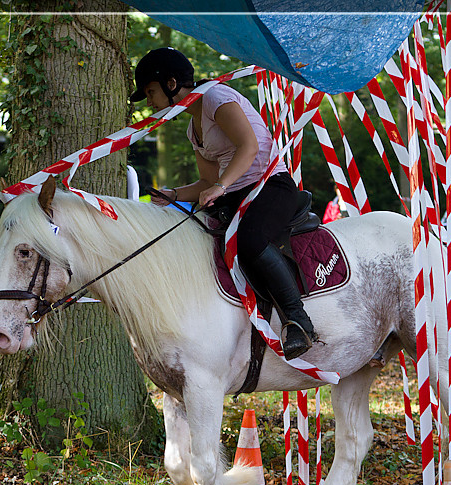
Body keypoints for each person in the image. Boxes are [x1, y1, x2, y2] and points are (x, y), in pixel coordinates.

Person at [130, 47, 316, 359]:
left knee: (250, 241)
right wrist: (174, 194)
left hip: (270, 185)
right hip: (234, 194)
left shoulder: (216, 97)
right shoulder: (193, 129)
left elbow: (249, 145)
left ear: (171, 83)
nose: (149, 103)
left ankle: (299, 321)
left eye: (150, 92)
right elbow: (205, 183)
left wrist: (220, 185)